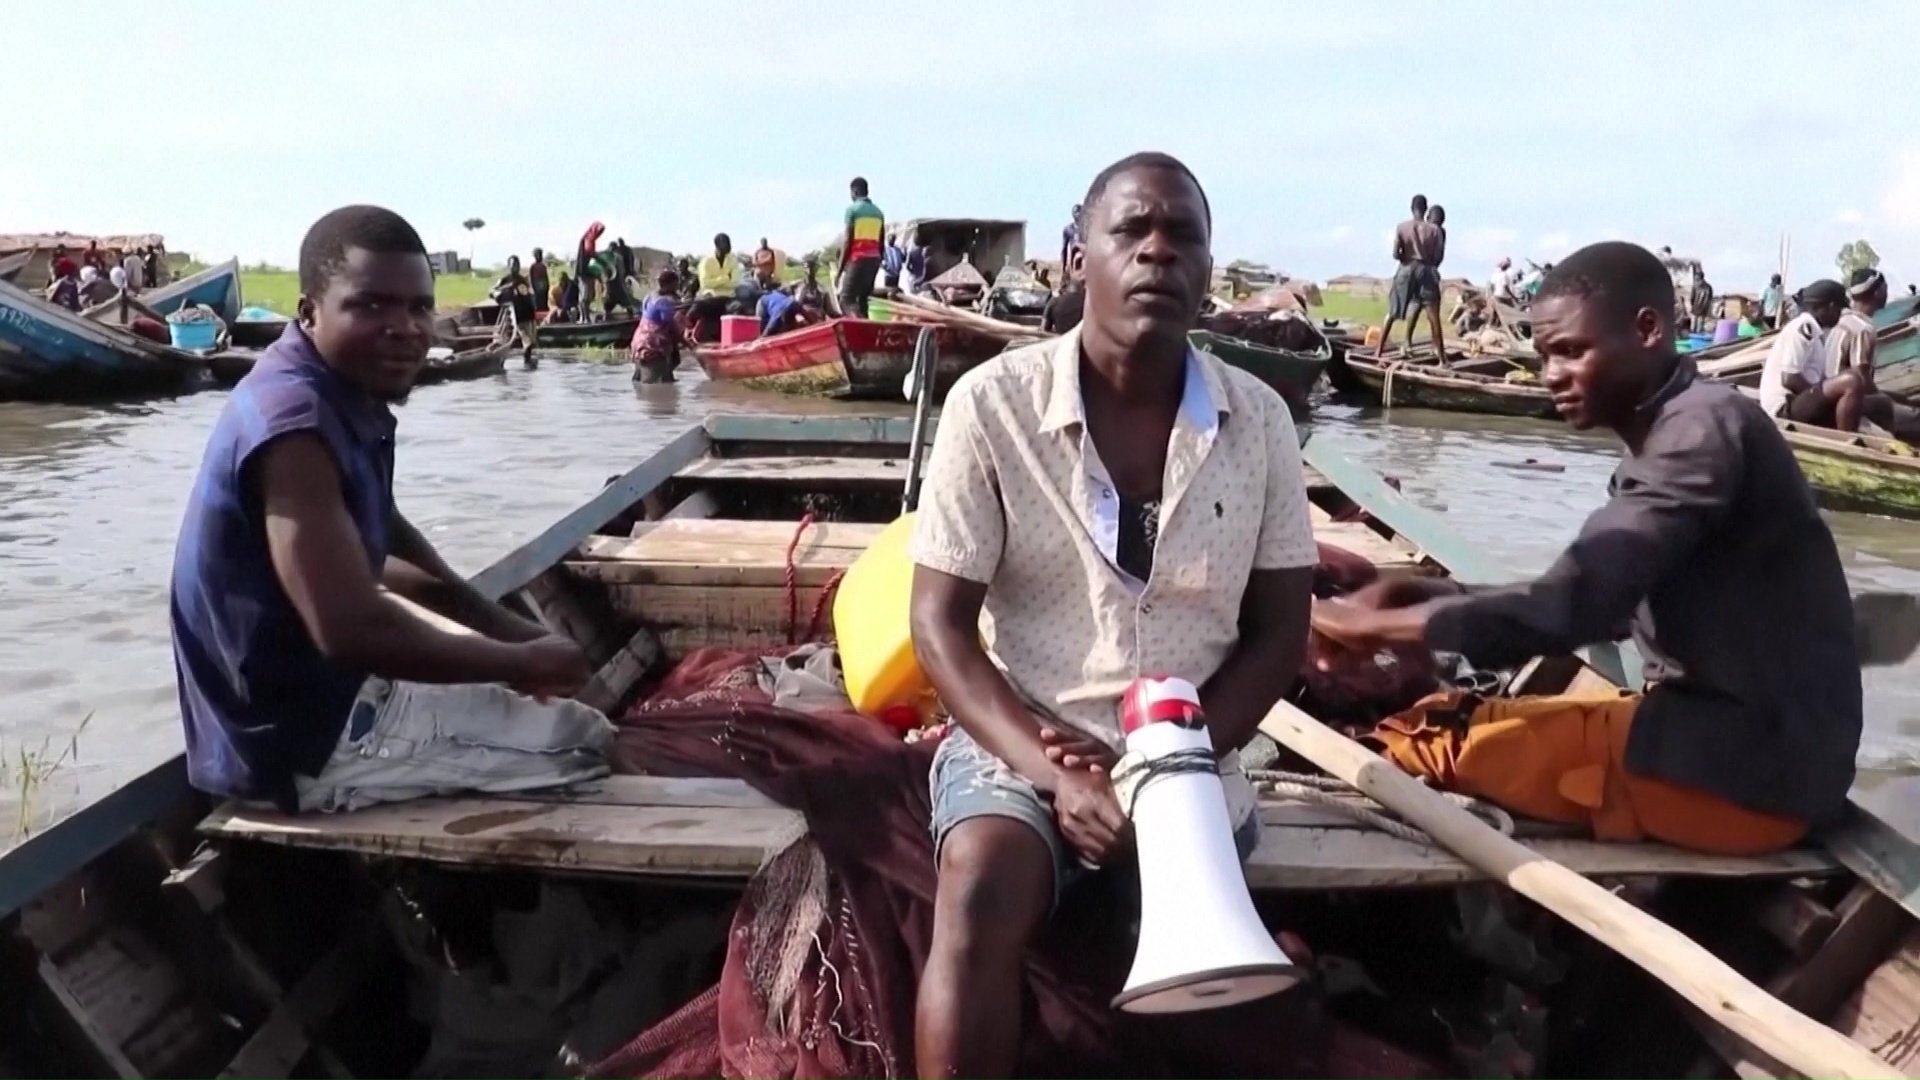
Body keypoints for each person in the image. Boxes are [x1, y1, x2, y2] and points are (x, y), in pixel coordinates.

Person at [908, 152, 1317, 1080]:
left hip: (1194, 744)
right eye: (1131, 230)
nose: (1158, 252)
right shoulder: (991, 405)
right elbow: (938, 626)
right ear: (1077, 258)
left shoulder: (1261, 422)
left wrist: (1166, 768)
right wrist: (1055, 774)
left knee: (1221, 967)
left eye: (1184, 237)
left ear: (1207, 273)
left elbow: (1280, 635)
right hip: (1028, 738)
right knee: (978, 891)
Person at [1311, 240, 1859, 855]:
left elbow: (1578, 607)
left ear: (1647, 330)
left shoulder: (1698, 436)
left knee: (1428, 736)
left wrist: (1370, 628)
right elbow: (1612, 603)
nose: (1551, 376)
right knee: (1462, 712)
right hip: (1772, 756)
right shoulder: (1681, 430)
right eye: (1545, 356)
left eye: (1572, 351)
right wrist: (1426, 593)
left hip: (1742, 776)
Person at [170, 205, 612, 815]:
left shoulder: (341, 388)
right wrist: (522, 661)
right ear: (309, 311)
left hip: (316, 697)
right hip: (301, 745)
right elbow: (350, 627)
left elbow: (386, 543)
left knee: (550, 697)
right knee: (589, 739)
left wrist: (510, 633)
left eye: (419, 307)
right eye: (371, 306)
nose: (404, 328)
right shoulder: (294, 426)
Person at [1377, 194, 1447, 358]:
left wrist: (1406, 260)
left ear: (1411, 208)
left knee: (1392, 312)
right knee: (1433, 316)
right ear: (1425, 209)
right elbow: (1438, 256)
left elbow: (1396, 254)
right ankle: (1442, 359)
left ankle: (1378, 351)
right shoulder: (1435, 230)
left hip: (1406, 269)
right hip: (1426, 271)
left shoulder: (1402, 227)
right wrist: (1428, 265)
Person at [629, 268, 688, 384]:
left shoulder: (649, 297)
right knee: (659, 383)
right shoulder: (664, 302)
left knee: (640, 381)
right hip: (653, 345)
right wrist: (688, 344)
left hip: (639, 341)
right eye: (676, 285)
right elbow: (670, 326)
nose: (677, 288)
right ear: (670, 284)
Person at [838, 177, 885, 318]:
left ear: (855, 191)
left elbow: (848, 241)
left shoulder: (852, 210)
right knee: (863, 300)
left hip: (859, 258)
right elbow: (881, 243)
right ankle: (868, 328)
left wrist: (840, 270)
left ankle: (860, 325)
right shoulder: (878, 212)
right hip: (874, 259)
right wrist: (877, 262)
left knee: (846, 300)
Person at [691, 234, 741, 341]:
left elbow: (735, 282)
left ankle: (729, 337)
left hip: (728, 298)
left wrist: (715, 282)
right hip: (710, 297)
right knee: (696, 308)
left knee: (739, 307)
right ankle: (693, 334)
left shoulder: (733, 260)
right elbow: (705, 284)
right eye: (726, 243)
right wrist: (726, 278)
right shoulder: (706, 261)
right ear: (717, 245)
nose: (729, 246)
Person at [490, 255, 538, 359]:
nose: (515, 267)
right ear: (509, 266)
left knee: (528, 335)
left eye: (517, 265)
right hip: (516, 311)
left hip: (526, 310)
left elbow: (531, 294)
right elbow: (493, 292)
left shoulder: (524, 280)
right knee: (524, 333)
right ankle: (526, 347)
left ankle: (527, 350)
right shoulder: (504, 280)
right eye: (513, 265)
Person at [528, 248, 550, 323]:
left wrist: (547, 286)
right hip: (537, 286)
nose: (540, 256)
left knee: (544, 301)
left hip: (543, 285)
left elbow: (546, 277)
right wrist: (533, 287)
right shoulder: (533, 266)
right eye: (538, 255)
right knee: (538, 302)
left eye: (540, 254)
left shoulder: (543, 266)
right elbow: (531, 278)